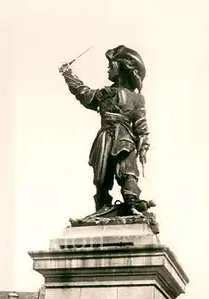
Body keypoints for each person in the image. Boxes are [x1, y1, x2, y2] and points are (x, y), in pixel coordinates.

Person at [59, 45, 150, 215]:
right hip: (104, 139)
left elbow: (141, 125)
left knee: (127, 170)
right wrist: (68, 75)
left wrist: (144, 144)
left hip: (124, 138)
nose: (108, 69)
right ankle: (102, 207)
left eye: (111, 65)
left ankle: (131, 202)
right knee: (101, 177)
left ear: (122, 68)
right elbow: (83, 93)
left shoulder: (136, 98)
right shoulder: (104, 94)